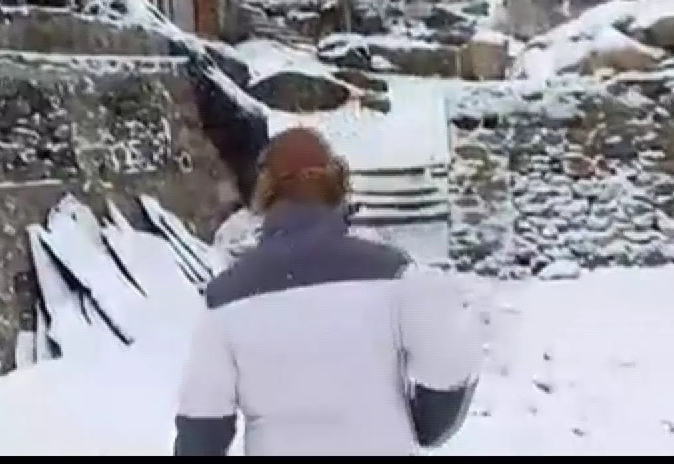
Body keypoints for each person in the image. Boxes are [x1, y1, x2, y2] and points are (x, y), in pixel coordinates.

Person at [173, 127, 482, 456]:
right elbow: (450, 364)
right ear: (336, 184)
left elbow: (202, 424)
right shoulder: (393, 275)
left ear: (265, 190)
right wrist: (426, 428)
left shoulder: (226, 299)